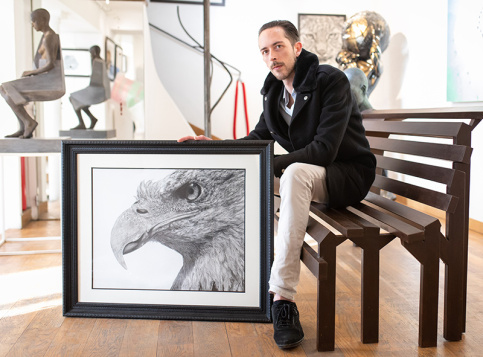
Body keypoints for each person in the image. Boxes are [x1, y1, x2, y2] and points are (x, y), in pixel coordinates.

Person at [178, 20, 376, 349]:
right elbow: (256, 140)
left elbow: (325, 151)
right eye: (265, 51)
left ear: (297, 48)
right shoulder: (273, 93)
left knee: (294, 172)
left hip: (348, 175)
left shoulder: (330, 81)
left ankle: (282, 299)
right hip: (314, 177)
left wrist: (265, 164)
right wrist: (211, 143)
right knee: (266, 173)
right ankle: (253, 275)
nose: (272, 56)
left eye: (278, 46)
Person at [0, 8, 65, 138]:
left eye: (34, 21)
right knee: (5, 90)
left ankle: (28, 122)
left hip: (50, 82)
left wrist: (32, 72)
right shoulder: (46, 36)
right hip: (44, 79)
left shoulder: (50, 37)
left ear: (43, 20)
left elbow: (51, 64)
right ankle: (24, 125)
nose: (32, 24)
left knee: (6, 88)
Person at [69, 45, 110, 130]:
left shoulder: (97, 61)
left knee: (72, 98)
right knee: (81, 103)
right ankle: (92, 119)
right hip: (99, 89)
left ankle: (82, 122)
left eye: (91, 52)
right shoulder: (101, 61)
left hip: (96, 89)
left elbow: (96, 80)